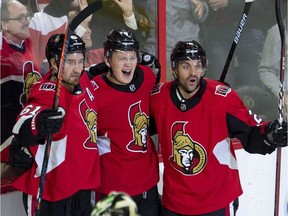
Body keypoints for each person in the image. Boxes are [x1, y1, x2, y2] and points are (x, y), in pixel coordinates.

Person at [149, 40, 287, 216]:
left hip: (216, 202)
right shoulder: (158, 97)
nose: (193, 73)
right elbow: (136, 129)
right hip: (174, 203)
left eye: (198, 65)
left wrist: (270, 135)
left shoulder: (222, 98)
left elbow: (251, 133)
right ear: (174, 68)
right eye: (186, 66)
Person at [10, 33, 100, 216]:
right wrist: (40, 124)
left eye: (80, 61)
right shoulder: (47, 93)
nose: (77, 69)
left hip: (81, 189)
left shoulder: (80, 79)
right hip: (52, 193)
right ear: (53, 64)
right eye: (70, 62)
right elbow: (22, 126)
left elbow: (92, 71)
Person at [88, 29, 161, 216]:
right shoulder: (93, 90)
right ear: (107, 60)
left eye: (132, 57)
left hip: (148, 182)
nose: (128, 63)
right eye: (121, 58)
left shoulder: (147, 77)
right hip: (112, 187)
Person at [1, 0, 73, 163]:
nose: (27, 21)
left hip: (30, 131)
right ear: (4, 24)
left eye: (27, 16)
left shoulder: (31, 41)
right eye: (21, 18)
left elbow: (57, 9)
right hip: (6, 138)